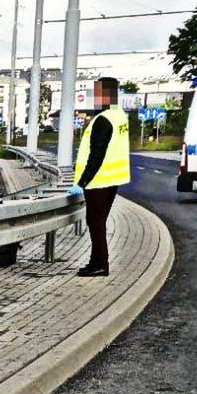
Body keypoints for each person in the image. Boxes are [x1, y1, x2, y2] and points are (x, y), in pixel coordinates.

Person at [72, 105, 130, 277]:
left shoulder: (102, 120)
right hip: (113, 178)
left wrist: (82, 181)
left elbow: (97, 154)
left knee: (95, 223)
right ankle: (96, 261)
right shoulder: (119, 115)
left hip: (98, 180)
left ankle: (99, 264)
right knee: (99, 222)